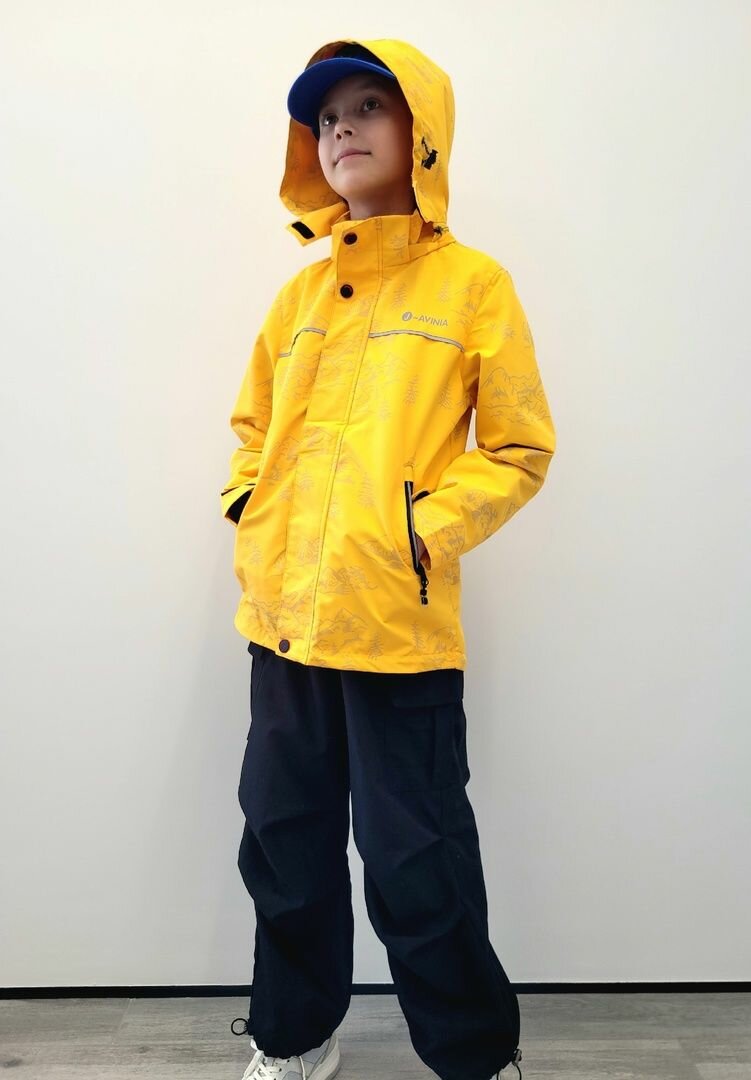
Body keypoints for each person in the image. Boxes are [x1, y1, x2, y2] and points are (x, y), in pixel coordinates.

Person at [222, 36, 555, 1080]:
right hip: (284, 624)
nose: (342, 130)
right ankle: (294, 1037)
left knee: (418, 857)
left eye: (369, 107)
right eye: (326, 119)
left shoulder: (471, 287)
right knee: (284, 843)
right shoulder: (298, 301)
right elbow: (251, 429)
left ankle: (471, 1056)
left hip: (394, 627)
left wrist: (419, 532)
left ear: (424, 133)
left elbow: (518, 448)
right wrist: (248, 506)